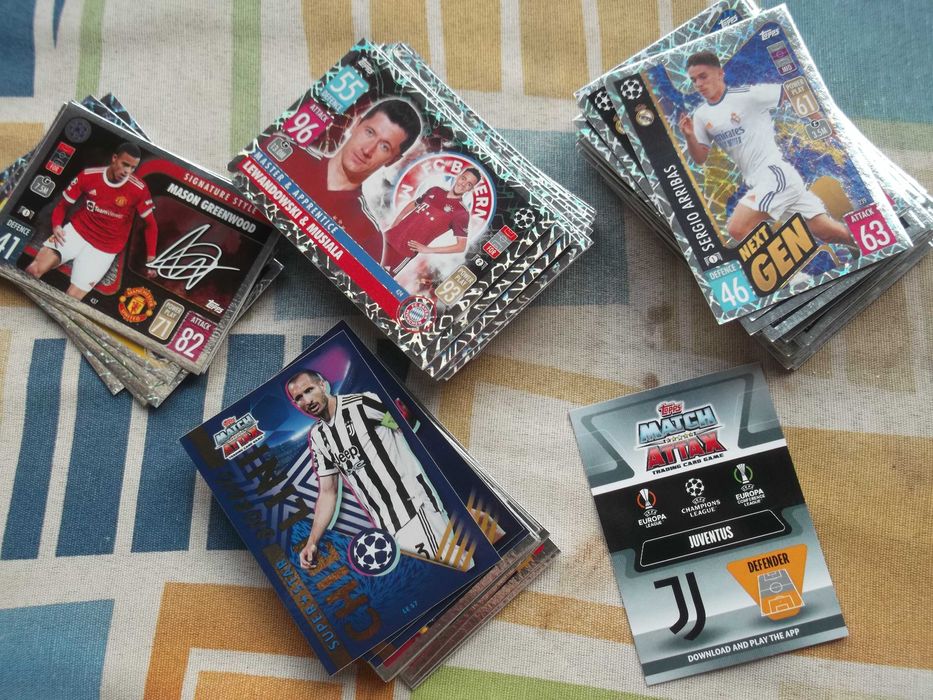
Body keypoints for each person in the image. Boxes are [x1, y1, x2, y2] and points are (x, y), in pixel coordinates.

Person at [286, 370, 465, 570]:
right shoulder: (319, 437)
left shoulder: (362, 404)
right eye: (299, 398)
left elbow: (405, 426)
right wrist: (312, 542)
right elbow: (328, 492)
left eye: (309, 390)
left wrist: (402, 419)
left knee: (450, 567)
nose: (307, 400)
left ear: (322, 384)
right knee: (449, 569)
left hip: (413, 506)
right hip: (386, 525)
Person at [678, 51, 856, 252]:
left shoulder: (748, 96)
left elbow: (793, 91)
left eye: (703, 76)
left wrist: (823, 126)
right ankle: (869, 244)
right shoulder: (701, 115)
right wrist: (689, 136)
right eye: (694, 80)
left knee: (737, 228)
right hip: (761, 180)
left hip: (774, 174)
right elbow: (700, 157)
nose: (699, 84)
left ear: (720, 73)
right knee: (827, 232)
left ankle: (788, 270)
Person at [271, 99, 422, 261]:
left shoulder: (367, 234)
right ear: (356, 124)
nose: (367, 150)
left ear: (393, 160)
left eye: (384, 147)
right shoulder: (288, 154)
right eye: (369, 132)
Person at [25, 142, 158, 300]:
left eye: (132, 168)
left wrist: (151, 258)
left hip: (105, 248)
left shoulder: (139, 189)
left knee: (70, 300)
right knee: (33, 270)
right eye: (125, 164)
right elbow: (63, 205)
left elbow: (151, 225)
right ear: (114, 158)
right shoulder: (89, 176)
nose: (127, 171)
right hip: (77, 231)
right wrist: (57, 226)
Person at [381, 167, 480, 274]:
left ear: (470, 189)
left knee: (380, 277)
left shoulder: (461, 213)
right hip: (389, 236)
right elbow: (415, 203)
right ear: (458, 177)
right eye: (463, 178)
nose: (463, 184)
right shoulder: (435, 190)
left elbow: (461, 246)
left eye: (469, 184)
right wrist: (396, 221)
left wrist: (429, 250)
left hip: (404, 251)